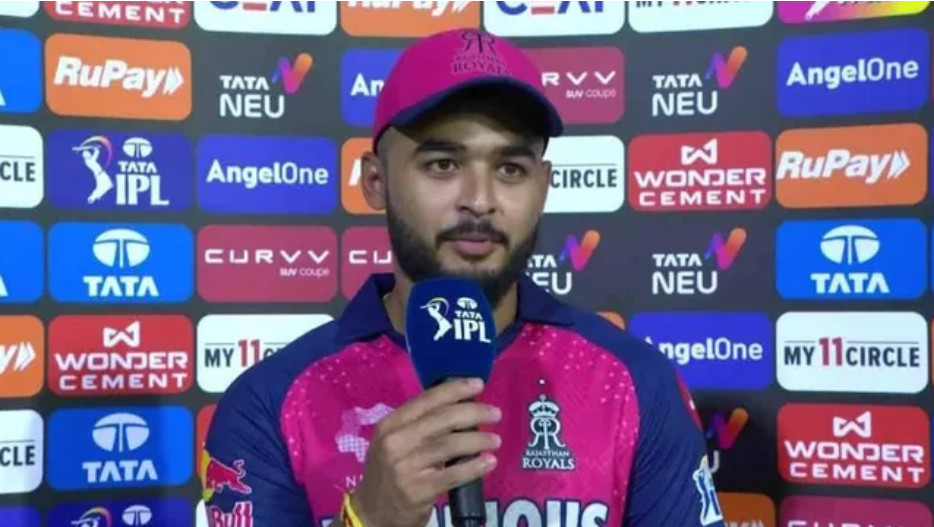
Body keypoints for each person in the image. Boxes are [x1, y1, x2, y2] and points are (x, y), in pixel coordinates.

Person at [200, 28, 726, 527]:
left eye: (510, 169)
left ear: (544, 187)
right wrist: (368, 519)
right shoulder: (271, 405)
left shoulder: (633, 384)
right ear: (376, 181)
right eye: (443, 165)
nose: (480, 199)